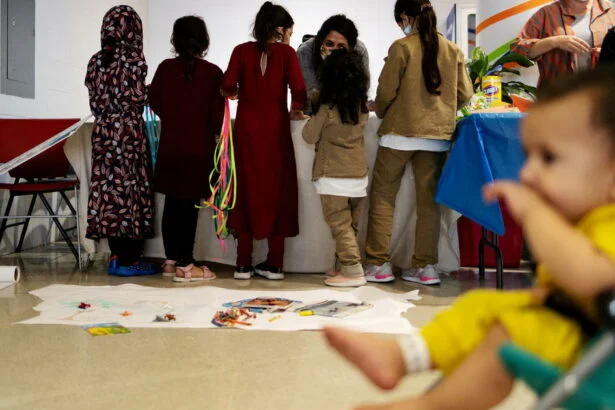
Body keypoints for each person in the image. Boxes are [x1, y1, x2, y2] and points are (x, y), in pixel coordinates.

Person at [323, 66, 615, 410]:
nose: (527, 173)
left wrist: (534, 213)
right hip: (580, 330)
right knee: (481, 307)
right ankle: (403, 357)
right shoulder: (585, 221)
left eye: (549, 158)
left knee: (507, 332)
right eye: (528, 156)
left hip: (594, 350)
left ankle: (427, 406)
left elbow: (590, 277)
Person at [363, 0, 473, 285]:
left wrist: (381, 110)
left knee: (384, 197)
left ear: (404, 17)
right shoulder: (453, 49)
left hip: (399, 132)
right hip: (436, 137)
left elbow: (386, 92)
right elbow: (465, 94)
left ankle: (378, 264)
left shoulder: (401, 47)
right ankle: (426, 267)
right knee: (428, 204)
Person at [222, 2, 307, 280]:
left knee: (245, 190)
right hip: (276, 131)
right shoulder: (287, 53)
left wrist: (237, 93)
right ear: (281, 29)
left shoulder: (241, 51)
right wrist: (296, 108)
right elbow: (299, 88)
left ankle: (242, 264)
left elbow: (227, 85)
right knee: (277, 191)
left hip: (246, 131)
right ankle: (275, 264)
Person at [149, 16, 224, 282]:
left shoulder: (165, 68)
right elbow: (218, 118)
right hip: (198, 150)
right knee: (189, 208)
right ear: (204, 41)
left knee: (172, 204)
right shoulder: (213, 73)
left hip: (170, 148)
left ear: (175, 41)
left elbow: (154, 102)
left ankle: (170, 260)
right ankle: (186, 264)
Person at [85, 5, 158, 276]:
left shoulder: (95, 60)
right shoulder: (134, 59)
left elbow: (97, 97)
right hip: (127, 134)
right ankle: (130, 260)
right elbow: (137, 97)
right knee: (130, 193)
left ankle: (116, 255)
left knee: (109, 194)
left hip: (103, 133)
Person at [302, 49, 370, 287]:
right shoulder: (362, 109)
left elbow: (309, 136)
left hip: (332, 176)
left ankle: (352, 270)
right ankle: (342, 265)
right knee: (350, 227)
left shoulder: (327, 109)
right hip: (358, 176)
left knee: (340, 226)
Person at [511, 0, 615, 88]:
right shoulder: (547, 13)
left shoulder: (611, 9)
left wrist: (608, 54)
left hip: (601, 93)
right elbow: (518, 50)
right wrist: (554, 42)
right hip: (558, 96)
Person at [297, 14, 370, 115]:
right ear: (320, 41)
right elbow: (312, 92)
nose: (335, 50)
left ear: (351, 48)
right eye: (329, 44)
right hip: (315, 110)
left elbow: (362, 88)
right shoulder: (305, 51)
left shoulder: (359, 49)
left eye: (341, 46)